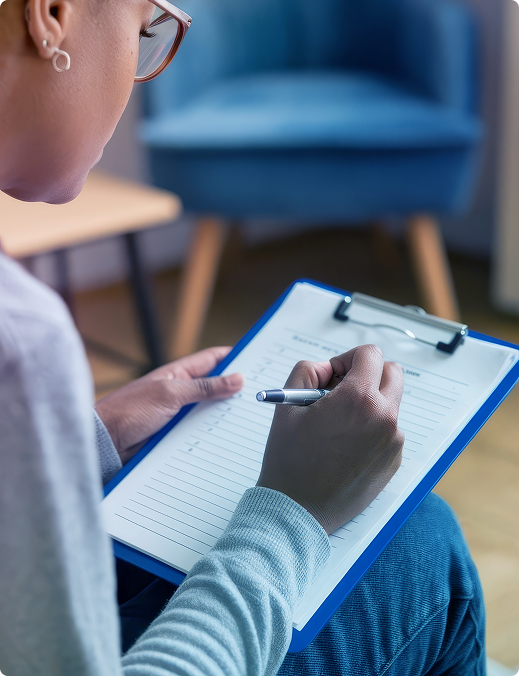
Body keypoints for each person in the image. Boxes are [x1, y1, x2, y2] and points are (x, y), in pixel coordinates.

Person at [0, 0, 486, 673]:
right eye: (144, 28)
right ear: (50, 14)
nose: (139, 72)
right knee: (423, 544)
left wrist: (85, 439)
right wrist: (291, 513)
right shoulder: (19, 338)